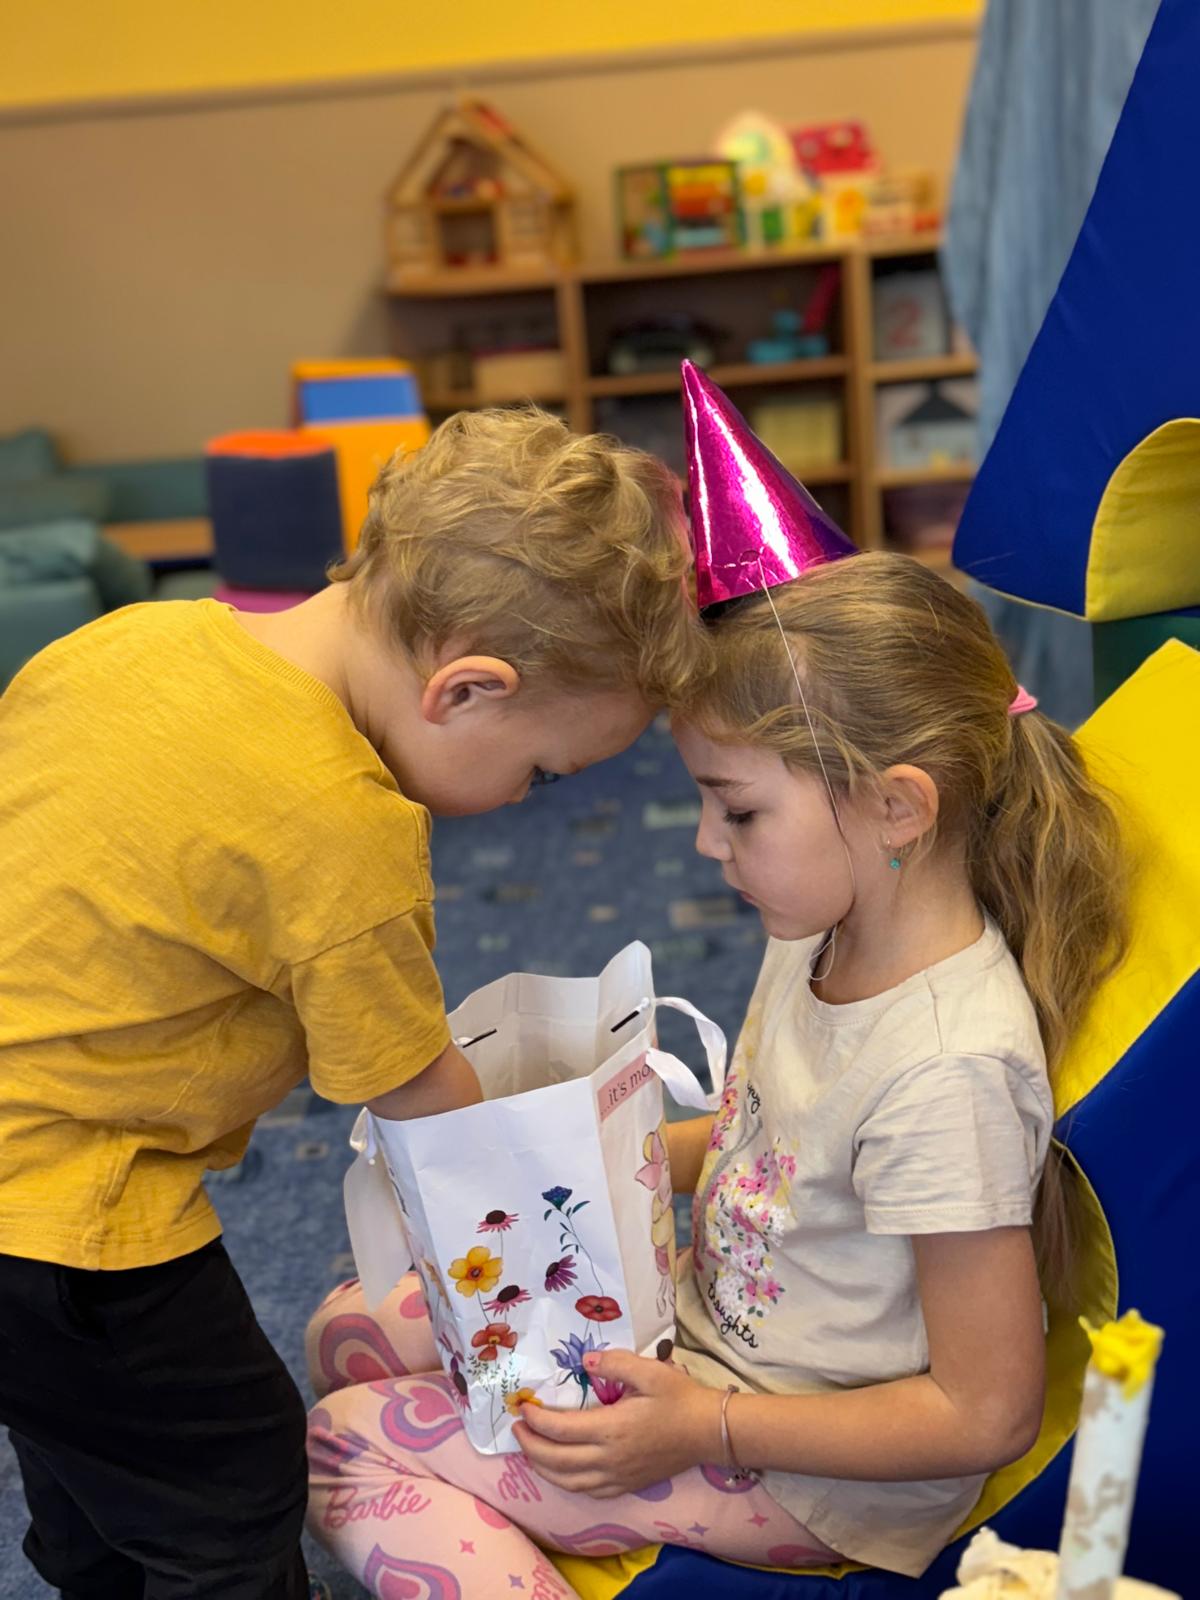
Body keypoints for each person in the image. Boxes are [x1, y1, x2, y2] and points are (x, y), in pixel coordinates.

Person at [303, 549, 1127, 1594]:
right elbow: (769, 1146)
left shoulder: (947, 1075)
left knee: (344, 1441)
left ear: (898, 807)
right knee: (348, 1325)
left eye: (738, 811)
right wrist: (589, 1161)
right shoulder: (827, 923)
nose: (704, 842)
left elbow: (985, 1412)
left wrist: (704, 1424)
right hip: (710, 1339)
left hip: (807, 1468)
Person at [0, 406, 709, 1600]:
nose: (526, 797)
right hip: (70, 1218)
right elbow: (426, 1103)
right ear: (465, 689)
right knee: (230, 1483)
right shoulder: (342, 829)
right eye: (542, 771)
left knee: (91, 1443)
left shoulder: (126, 642)